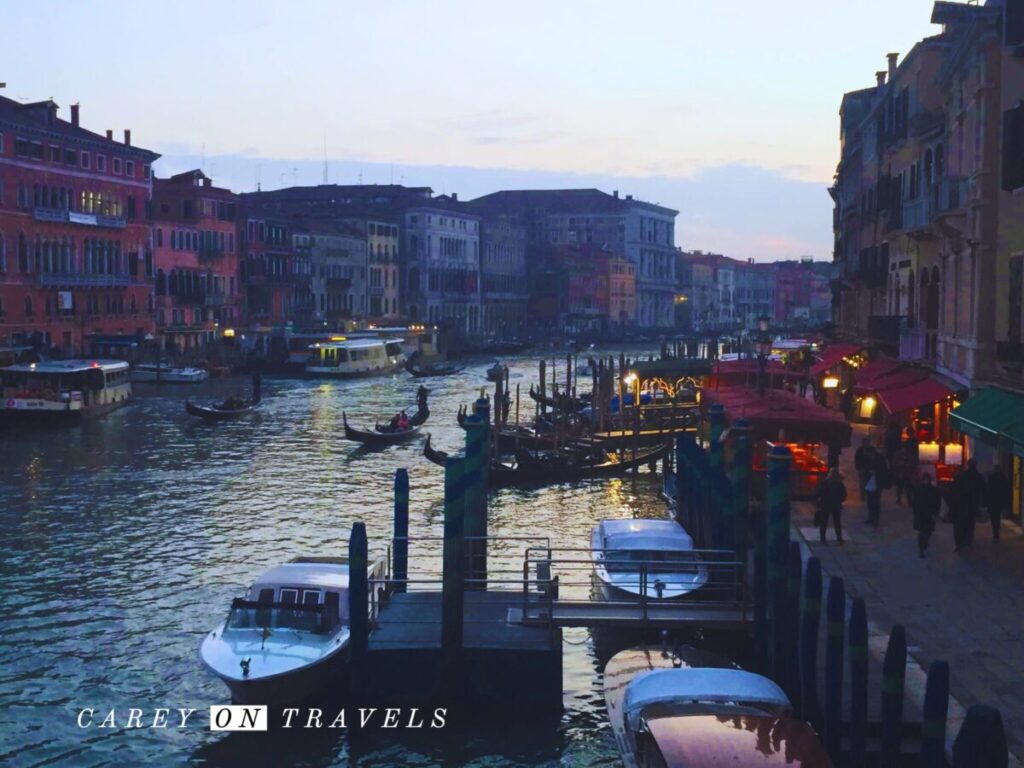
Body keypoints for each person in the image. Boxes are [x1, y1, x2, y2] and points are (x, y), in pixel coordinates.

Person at [912, 472, 941, 557]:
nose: (926, 481)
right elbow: (915, 501)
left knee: (927, 531)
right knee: (922, 532)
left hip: (928, 513)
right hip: (922, 513)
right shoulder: (919, 489)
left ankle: (924, 543)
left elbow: (937, 502)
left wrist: (936, 511)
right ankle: (921, 548)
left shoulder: (933, 490)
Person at [817, 467, 847, 544]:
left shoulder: (825, 483)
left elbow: (819, 493)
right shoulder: (839, 484)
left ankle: (823, 538)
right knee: (837, 522)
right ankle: (839, 538)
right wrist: (840, 500)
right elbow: (844, 495)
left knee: (824, 522)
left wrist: (820, 501)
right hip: (836, 505)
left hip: (826, 504)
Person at [961, 458, 986, 548]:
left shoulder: (963, 475)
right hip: (974, 502)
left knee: (964, 520)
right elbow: (983, 489)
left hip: (964, 502)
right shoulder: (979, 476)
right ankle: (969, 539)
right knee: (971, 522)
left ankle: (964, 538)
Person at [986, 464, 1012, 543]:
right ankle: (996, 534)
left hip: (992, 501)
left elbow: (988, 490)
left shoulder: (991, 477)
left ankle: (995, 534)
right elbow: (1007, 490)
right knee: (997, 517)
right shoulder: (1003, 478)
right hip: (999, 501)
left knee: (994, 518)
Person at [864, 450, 883, 527]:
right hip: (870, 483)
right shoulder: (869, 461)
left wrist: (875, 472)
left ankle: (875, 519)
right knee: (870, 502)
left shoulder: (879, 460)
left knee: (875, 502)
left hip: (877, 484)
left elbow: (883, 471)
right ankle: (871, 517)